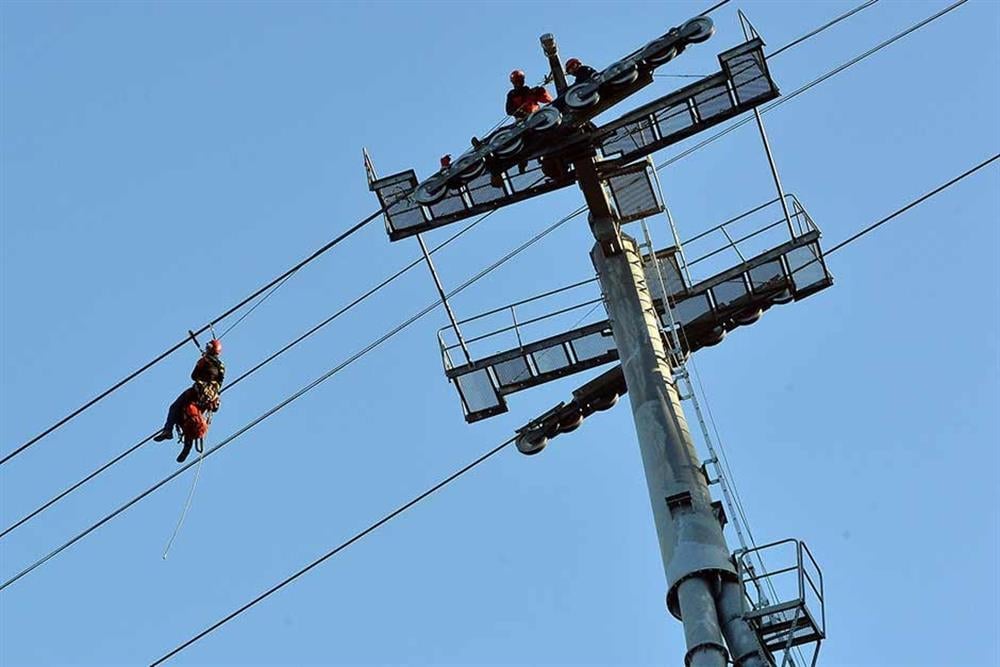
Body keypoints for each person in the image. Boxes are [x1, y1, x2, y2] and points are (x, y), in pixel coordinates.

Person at [154, 339, 225, 462]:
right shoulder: (221, 366)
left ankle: (168, 430)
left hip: (197, 392)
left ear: (210, 349)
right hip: (208, 399)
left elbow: (193, 376)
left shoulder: (205, 361)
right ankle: (187, 444)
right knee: (189, 415)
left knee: (175, 407)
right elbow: (220, 382)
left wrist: (200, 364)